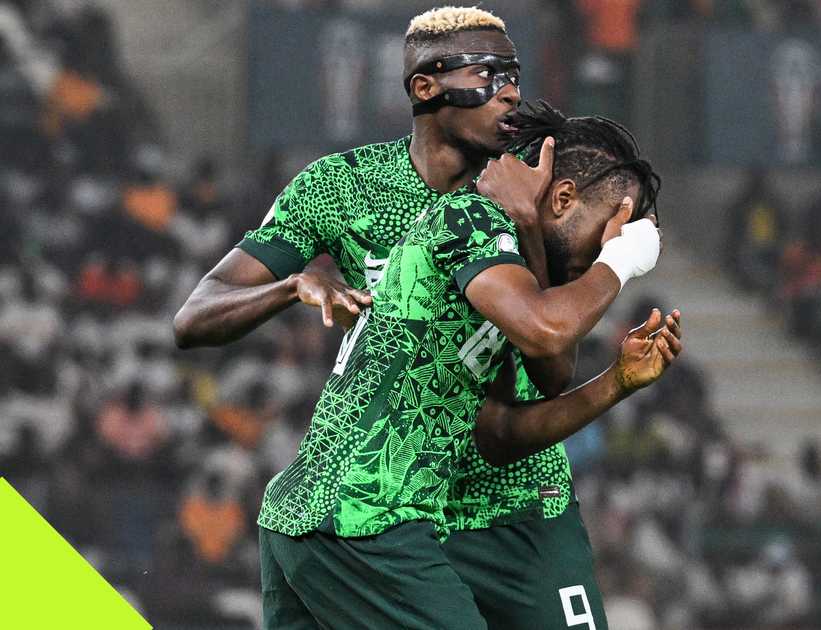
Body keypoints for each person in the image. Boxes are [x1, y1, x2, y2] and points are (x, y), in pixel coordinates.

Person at [172, 6, 669, 628]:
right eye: (489, 74)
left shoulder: (515, 200)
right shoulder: (354, 189)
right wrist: (291, 285)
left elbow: (542, 373)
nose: (510, 89)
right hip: (381, 510)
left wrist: (536, 238)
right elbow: (193, 319)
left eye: (514, 73)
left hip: (509, 502)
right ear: (425, 87)